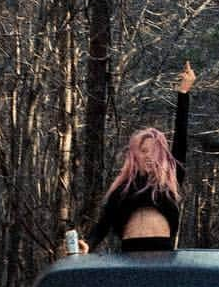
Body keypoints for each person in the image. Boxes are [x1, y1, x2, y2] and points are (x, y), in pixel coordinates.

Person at [78, 61, 196, 254]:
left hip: (163, 253)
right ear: (134, 156)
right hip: (129, 254)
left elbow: (181, 138)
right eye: (143, 150)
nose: (149, 155)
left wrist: (183, 93)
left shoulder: (169, 182)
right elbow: (103, 225)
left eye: (154, 150)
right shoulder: (123, 190)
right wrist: (87, 245)